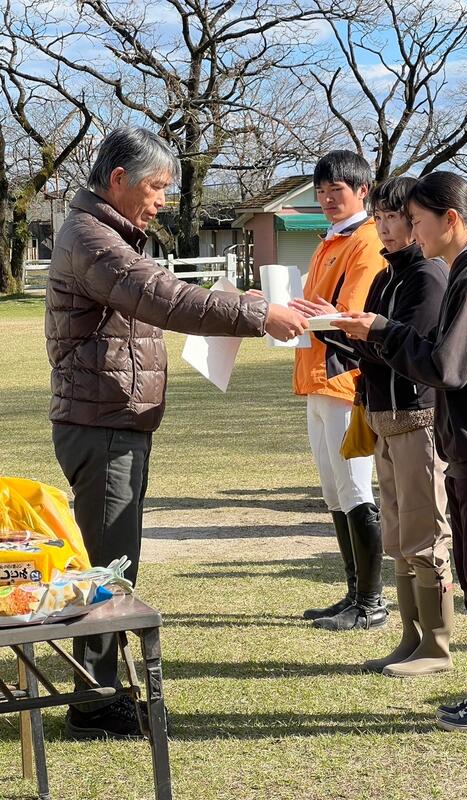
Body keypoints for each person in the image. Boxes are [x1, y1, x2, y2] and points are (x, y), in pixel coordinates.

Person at [46, 126, 308, 739]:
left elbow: (160, 298)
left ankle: (103, 690)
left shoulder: (105, 233)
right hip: (101, 424)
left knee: (114, 563)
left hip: (112, 420)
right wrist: (257, 314)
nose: (163, 201)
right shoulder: (93, 238)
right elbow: (162, 298)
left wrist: (240, 303)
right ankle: (94, 704)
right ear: (119, 180)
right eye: (157, 187)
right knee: (107, 567)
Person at [334, 171, 467, 732]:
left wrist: (384, 331)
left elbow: (446, 367)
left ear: (450, 219)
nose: (410, 231)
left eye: (416, 220)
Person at [297, 176, 453, 674]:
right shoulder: (389, 276)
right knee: (400, 539)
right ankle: (411, 638)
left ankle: (436, 646)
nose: (385, 227)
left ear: (417, 221)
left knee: (425, 537)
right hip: (384, 417)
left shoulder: (428, 276)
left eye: (395, 218)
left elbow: (415, 353)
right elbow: (373, 348)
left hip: (417, 418)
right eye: (380, 218)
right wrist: (338, 326)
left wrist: (365, 331)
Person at [289, 150, 387, 631]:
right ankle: (354, 592)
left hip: (345, 376)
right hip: (317, 376)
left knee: (354, 487)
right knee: (333, 489)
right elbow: (318, 308)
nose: (327, 199)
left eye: (337, 190)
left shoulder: (366, 241)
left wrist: (304, 313)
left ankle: (372, 602)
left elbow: (348, 315)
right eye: (321, 191)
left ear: (362, 190)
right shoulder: (330, 239)